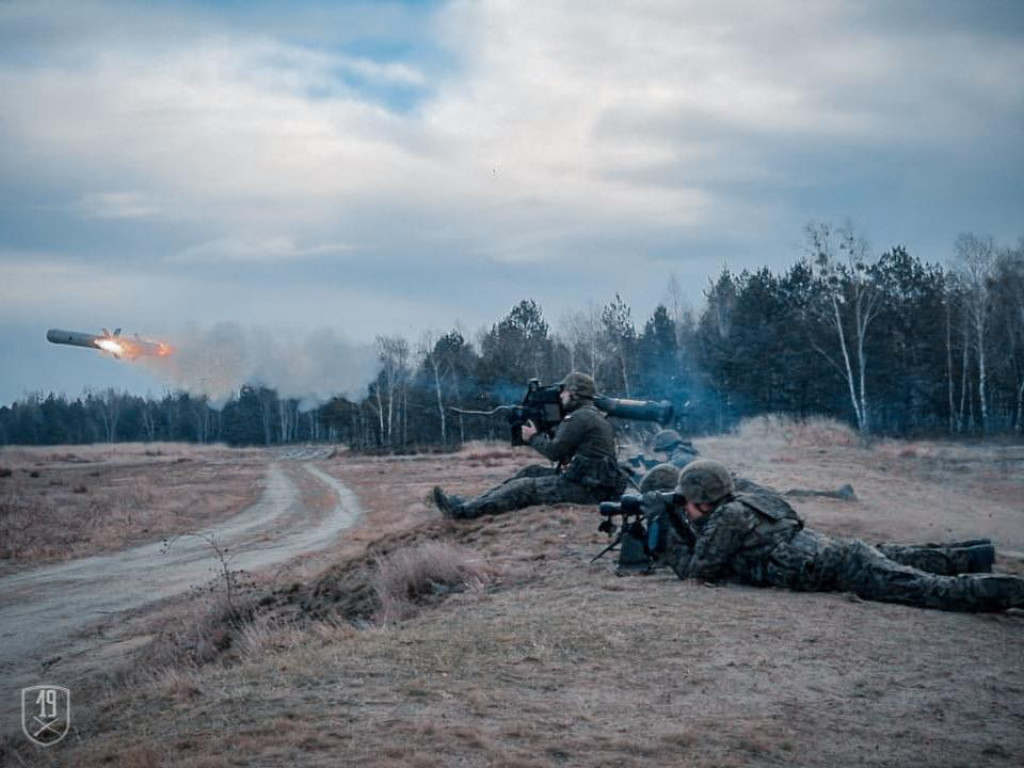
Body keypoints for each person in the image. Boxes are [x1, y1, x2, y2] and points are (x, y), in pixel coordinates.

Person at [642, 459, 1021, 612]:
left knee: (935, 591)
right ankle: (975, 555)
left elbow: (698, 571)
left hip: (842, 567)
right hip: (837, 552)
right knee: (903, 557)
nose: (685, 508)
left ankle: (1012, 590)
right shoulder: (747, 498)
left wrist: (669, 533)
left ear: (704, 500)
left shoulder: (728, 517)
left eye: (689, 502)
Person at [432, 372, 627, 520]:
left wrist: (533, 437)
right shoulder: (589, 415)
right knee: (531, 471)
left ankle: (463, 513)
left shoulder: (579, 418)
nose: (561, 396)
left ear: (574, 393)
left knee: (525, 487)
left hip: (587, 490)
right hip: (590, 484)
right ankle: (474, 503)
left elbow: (553, 452)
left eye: (565, 391)